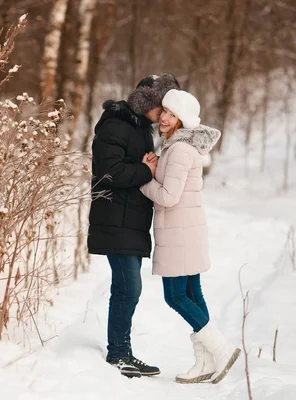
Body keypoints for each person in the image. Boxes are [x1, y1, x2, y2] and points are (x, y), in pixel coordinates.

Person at [140, 89, 241, 384]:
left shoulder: (181, 150)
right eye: (165, 112)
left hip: (180, 232)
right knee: (193, 294)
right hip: (185, 229)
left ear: (183, 120)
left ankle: (221, 350)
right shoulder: (177, 147)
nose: (165, 118)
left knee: (176, 296)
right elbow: (176, 186)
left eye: (172, 114)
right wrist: (157, 168)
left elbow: (169, 197)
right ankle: (205, 361)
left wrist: (144, 179)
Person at [88, 74, 180, 378]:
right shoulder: (116, 125)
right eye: (163, 106)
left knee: (126, 288)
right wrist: (145, 169)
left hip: (130, 220)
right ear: (150, 101)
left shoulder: (140, 128)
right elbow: (108, 173)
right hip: (116, 218)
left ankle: (120, 351)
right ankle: (119, 354)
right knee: (129, 288)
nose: (165, 113)